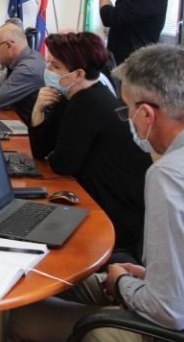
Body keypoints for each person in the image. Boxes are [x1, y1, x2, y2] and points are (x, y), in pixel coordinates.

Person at [6, 44, 184, 342]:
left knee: (20, 317)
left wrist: (122, 284)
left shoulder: (172, 175)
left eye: (126, 109)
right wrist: (141, 279)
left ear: (147, 114)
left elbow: (172, 312)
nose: (127, 118)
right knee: (53, 278)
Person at [29, 32, 151, 258]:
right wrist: (38, 111)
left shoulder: (87, 103)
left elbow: (61, 164)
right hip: (100, 201)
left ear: (78, 74)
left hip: (114, 218)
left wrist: (54, 153)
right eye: (48, 64)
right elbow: (41, 151)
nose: (48, 71)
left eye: (56, 66)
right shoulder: (74, 96)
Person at [0, 22, 45, 124]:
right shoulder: (20, 61)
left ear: (8, 45)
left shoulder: (27, 68)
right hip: (16, 119)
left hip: (27, 128)